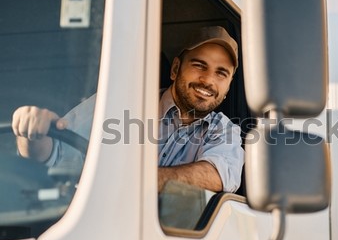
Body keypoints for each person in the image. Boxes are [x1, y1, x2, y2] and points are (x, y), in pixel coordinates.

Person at [12, 26, 244, 193]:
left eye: (221, 73)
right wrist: (31, 133)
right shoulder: (119, 101)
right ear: (175, 69)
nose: (207, 80)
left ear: (227, 87)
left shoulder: (225, 131)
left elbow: (218, 175)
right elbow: (55, 153)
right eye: (198, 65)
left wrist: (129, 183)